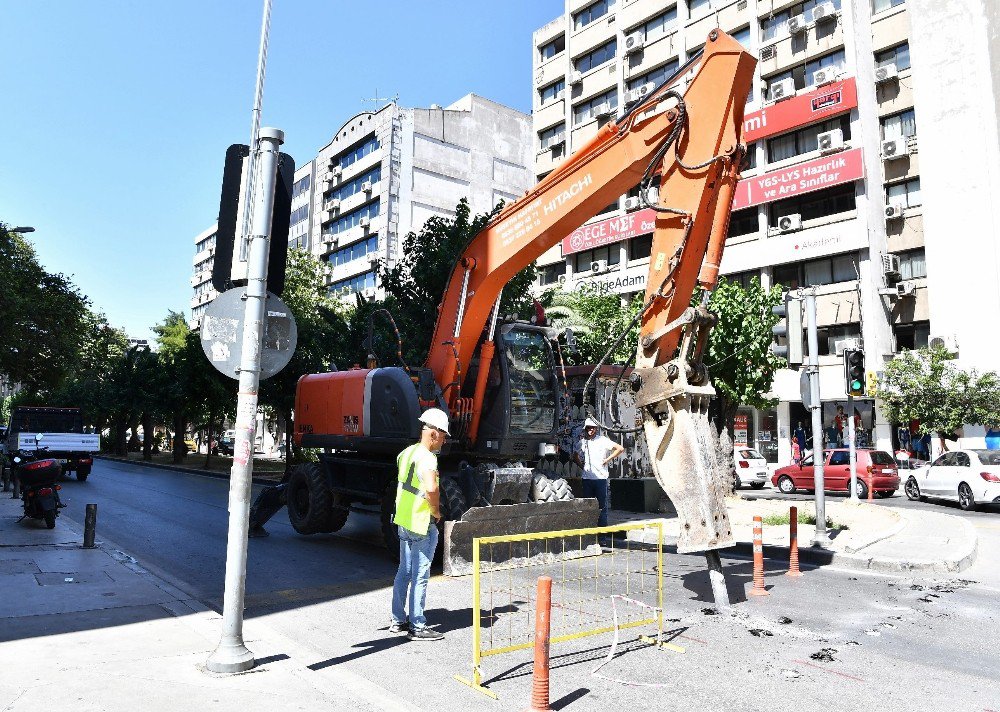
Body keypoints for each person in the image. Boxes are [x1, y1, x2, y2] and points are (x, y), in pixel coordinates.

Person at [389, 408, 449, 641]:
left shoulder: (406, 453)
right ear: (433, 434)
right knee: (421, 574)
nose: (444, 440)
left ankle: (397, 620)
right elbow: (431, 489)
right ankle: (417, 626)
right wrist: (436, 511)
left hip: (403, 520)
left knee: (404, 571)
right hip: (421, 522)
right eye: (443, 435)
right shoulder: (428, 457)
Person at [574, 416, 625, 531]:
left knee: (602, 507)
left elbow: (620, 448)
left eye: (593, 428)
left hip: (600, 479)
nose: (591, 430)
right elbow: (575, 456)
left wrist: (607, 460)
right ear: (585, 429)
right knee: (588, 507)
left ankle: (602, 535)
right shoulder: (582, 442)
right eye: (588, 428)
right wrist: (582, 466)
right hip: (587, 479)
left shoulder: (602, 440)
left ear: (596, 429)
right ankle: (590, 533)